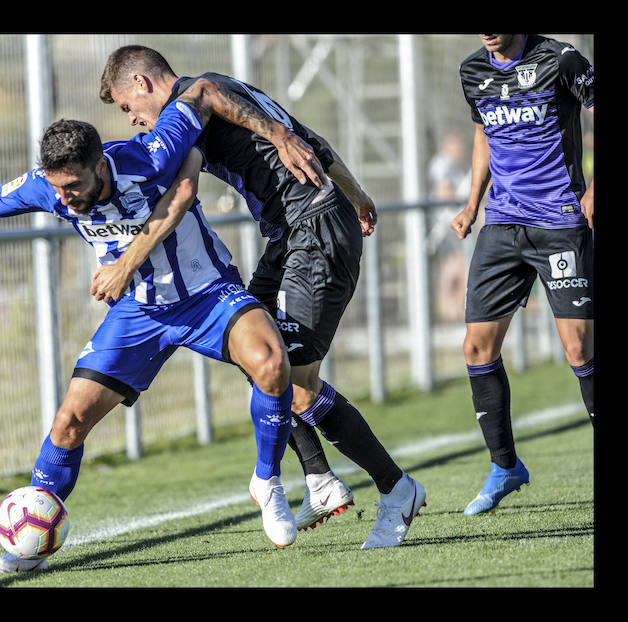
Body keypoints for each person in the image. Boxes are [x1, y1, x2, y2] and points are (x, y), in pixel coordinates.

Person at [0, 105, 300, 575]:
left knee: (271, 362)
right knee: (69, 421)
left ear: (99, 166)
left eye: (73, 185)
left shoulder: (149, 156)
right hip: (138, 311)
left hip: (206, 293)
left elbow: (197, 97)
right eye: (57, 187)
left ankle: (267, 482)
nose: (65, 198)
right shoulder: (48, 187)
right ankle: (27, 551)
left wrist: (267, 134)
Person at [97, 45, 426, 549]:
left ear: (141, 82)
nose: (134, 120)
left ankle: (396, 488)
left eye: (126, 107)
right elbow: (313, 142)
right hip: (292, 232)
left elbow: (241, 112)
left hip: (313, 228)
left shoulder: (197, 93)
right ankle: (318, 478)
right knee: (256, 353)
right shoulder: (226, 96)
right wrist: (355, 192)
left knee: (296, 385)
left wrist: (279, 136)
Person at [451, 34, 594, 516]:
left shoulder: (562, 59)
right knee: (476, 347)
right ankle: (505, 465)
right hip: (502, 223)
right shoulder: (473, 71)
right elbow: (483, 134)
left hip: (559, 222)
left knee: (579, 348)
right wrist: (472, 204)